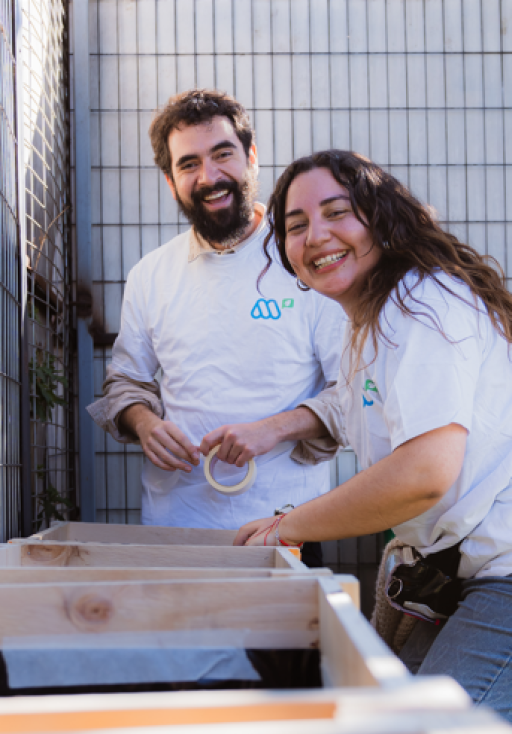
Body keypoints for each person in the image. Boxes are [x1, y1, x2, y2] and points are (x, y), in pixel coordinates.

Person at [235, 149, 512, 734]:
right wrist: (270, 431)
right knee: (382, 719)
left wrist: (285, 528)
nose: (315, 235)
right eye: (295, 224)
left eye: (336, 212)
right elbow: (352, 406)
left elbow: (425, 474)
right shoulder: (368, 319)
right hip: (484, 569)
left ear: (380, 217)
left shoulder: (422, 304)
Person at [87, 91, 345, 563]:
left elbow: (353, 392)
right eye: (188, 165)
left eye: (222, 155)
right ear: (171, 182)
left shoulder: (307, 260)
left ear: (251, 158)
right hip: (174, 529)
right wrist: (145, 423)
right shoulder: (150, 274)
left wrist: (274, 429)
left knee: (281, 640)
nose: (209, 177)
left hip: (285, 528)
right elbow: (124, 383)